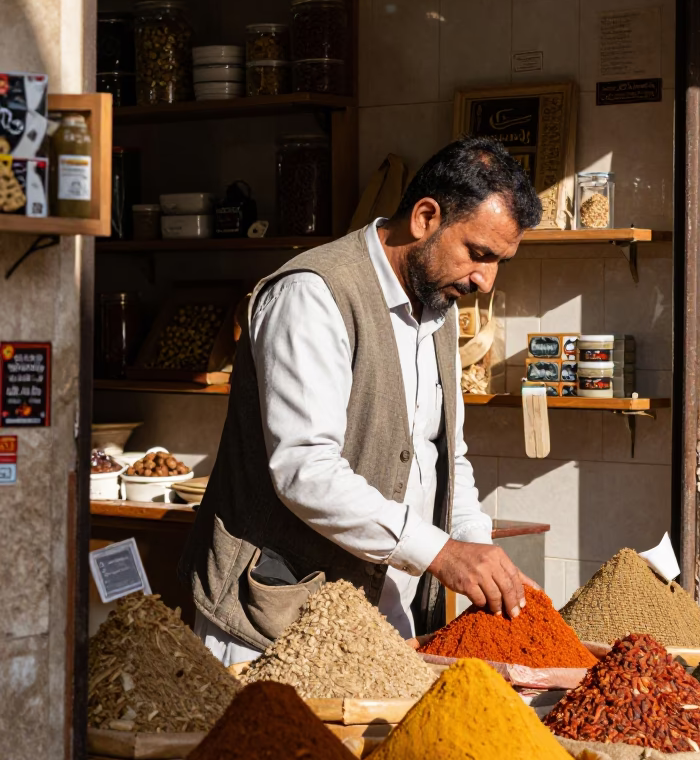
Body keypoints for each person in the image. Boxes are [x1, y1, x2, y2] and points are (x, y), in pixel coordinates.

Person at [182, 137, 543, 665]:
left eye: (499, 262)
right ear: (425, 217)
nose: (485, 280)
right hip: (270, 620)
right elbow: (306, 469)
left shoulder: (436, 303)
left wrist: (474, 544)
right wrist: (441, 552)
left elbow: (444, 454)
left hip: (377, 621)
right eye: (479, 254)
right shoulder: (313, 293)